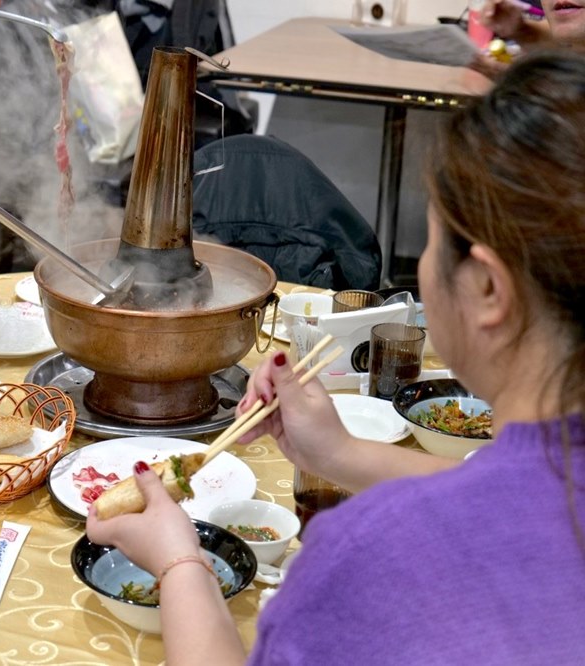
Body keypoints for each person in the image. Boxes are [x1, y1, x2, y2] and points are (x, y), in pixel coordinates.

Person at [86, 50, 585, 665]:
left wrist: (180, 562)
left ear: (487, 290)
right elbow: (519, 502)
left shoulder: (370, 553)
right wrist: (338, 453)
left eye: (431, 245)